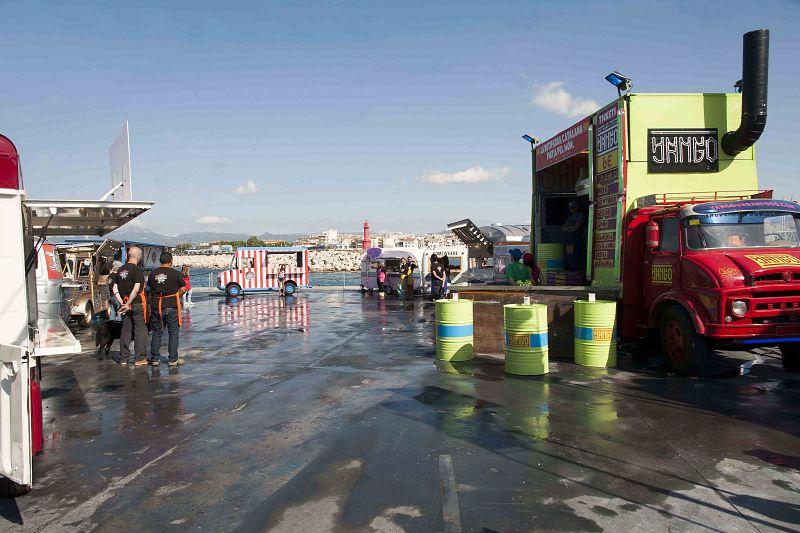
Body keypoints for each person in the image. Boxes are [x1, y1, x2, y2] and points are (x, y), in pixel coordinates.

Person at [148, 251, 187, 367]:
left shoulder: (152, 273)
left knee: (157, 332)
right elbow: (183, 289)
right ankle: (173, 359)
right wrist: (176, 296)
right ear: (171, 261)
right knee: (173, 333)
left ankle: (155, 358)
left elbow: (149, 288)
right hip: (171, 305)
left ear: (160, 261)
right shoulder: (175, 274)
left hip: (156, 306)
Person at [113, 247, 149, 367]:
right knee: (140, 329)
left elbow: (115, 288)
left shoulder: (120, 270)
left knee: (126, 329)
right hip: (136, 303)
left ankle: (123, 357)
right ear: (138, 257)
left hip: (124, 303)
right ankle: (140, 358)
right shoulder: (137, 270)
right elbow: (137, 287)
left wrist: (122, 303)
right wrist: (129, 303)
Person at [562, 200, 586, 271]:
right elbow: (563, 228)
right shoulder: (570, 218)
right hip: (570, 241)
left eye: (572, 208)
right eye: (570, 209)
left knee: (577, 257)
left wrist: (570, 228)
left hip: (579, 240)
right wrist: (571, 228)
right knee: (569, 256)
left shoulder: (581, 215)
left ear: (577, 207)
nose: (571, 210)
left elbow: (576, 228)